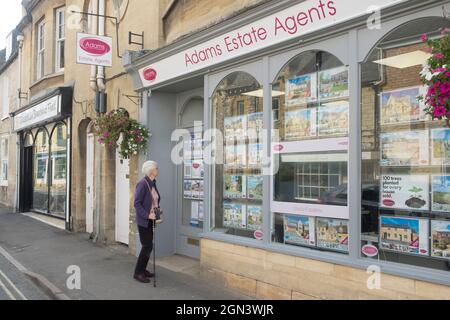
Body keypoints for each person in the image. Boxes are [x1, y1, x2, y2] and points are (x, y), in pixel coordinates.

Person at [133, 160, 161, 283]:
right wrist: (147, 215)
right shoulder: (142, 184)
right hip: (144, 221)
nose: (158, 170)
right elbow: (137, 203)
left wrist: (156, 210)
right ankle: (138, 272)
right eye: (156, 168)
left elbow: (153, 200)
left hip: (151, 220)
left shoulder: (153, 183)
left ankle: (143, 270)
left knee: (149, 247)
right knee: (147, 246)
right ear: (151, 170)